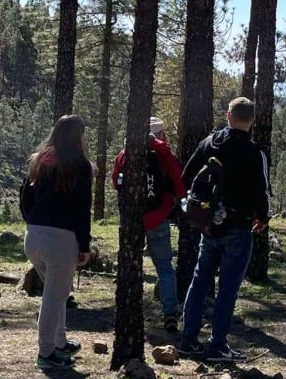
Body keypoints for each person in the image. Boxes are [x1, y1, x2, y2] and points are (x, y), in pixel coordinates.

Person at [178, 97, 271, 362]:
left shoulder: (209, 144)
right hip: (239, 227)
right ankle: (217, 345)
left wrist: (195, 207)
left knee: (199, 282)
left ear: (229, 115)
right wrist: (263, 218)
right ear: (251, 120)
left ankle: (188, 339)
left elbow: (185, 177)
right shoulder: (255, 152)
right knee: (228, 289)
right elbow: (261, 191)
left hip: (209, 226)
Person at [20, 114, 93, 370]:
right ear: (79, 136)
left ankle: (59, 342)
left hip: (34, 235)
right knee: (53, 297)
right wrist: (84, 246)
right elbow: (83, 210)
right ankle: (46, 352)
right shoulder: (81, 166)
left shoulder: (40, 160)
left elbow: (25, 196)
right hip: (61, 238)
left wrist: (32, 221)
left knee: (58, 292)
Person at [113, 115, 186, 333]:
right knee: (164, 267)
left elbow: (116, 181)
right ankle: (170, 313)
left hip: (132, 220)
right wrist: (176, 204)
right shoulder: (165, 155)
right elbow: (180, 184)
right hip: (158, 218)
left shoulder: (125, 153)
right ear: (161, 134)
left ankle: (127, 310)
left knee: (130, 265)